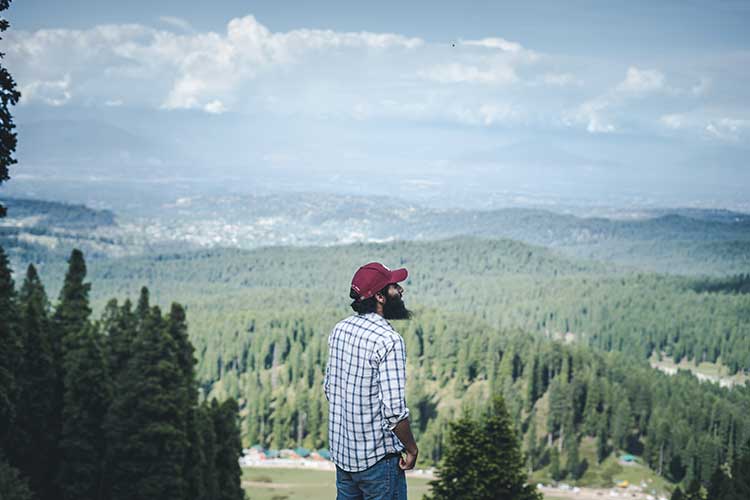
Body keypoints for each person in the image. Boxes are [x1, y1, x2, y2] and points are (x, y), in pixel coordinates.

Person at [324, 262, 418, 500]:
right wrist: (411, 448)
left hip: (344, 460)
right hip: (379, 464)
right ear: (380, 296)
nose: (401, 290)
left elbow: (329, 388)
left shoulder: (340, 329)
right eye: (395, 286)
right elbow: (394, 410)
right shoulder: (389, 341)